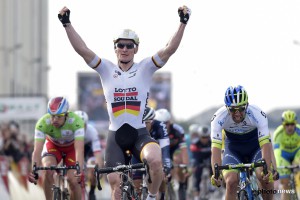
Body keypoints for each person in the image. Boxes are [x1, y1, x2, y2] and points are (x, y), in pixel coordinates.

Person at [58, 5, 191, 200]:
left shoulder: (145, 67)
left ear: (136, 48)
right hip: (115, 137)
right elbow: (82, 50)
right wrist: (67, 24)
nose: (125, 49)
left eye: (129, 45)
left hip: (139, 134)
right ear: (115, 48)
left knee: (155, 161)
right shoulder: (105, 68)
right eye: (121, 45)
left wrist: (182, 23)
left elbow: (169, 49)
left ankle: (151, 197)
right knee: (117, 190)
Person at [210, 85, 275, 200]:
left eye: (241, 108)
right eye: (232, 110)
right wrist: (216, 174)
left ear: (247, 105)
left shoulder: (258, 114)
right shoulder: (218, 118)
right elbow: (215, 149)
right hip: (233, 149)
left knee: (264, 177)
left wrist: (267, 170)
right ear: (227, 108)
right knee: (230, 182)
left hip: (255, 147)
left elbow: (265, 144)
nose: (237, 113)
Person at [28, 97, 85, 200]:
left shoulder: (76, 121)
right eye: (52, 116)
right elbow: (37, 150)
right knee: (48, 169)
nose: (55, 120)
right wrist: (34, 170)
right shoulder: (42, 123)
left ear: (66, 115)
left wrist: (79, 170)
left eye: (59, 116)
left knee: (73, 180)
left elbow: (79, 150)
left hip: (71, 149)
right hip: (53, 146)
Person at [132, 107, 171, 200]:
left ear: (152, 121)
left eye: (146, 123)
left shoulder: (160, 126)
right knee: (137, 185)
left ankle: (161, 196)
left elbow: (165, 148)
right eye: (142, 123)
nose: (144, 126)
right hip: (137, 155)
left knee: (161, 173)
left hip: (156, 155)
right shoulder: (135, 127)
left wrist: (166, 166)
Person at [154, 108, 190, 200]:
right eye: (160, 123)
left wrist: (185, 166)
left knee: (177, 159)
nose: (164, 125)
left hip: (174, 150)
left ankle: (181, 183)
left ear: (170, 121)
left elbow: (184, 149)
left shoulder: (177, 130)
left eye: (166, 123)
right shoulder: (154, 130)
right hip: (160, 151)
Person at [74, 110, 104, 200]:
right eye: (78, 125)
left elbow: (97, 152)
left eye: (83, 125)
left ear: (87, 124)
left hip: (88, 150)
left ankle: (92, 191)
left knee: (94, 166)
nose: (81, 128)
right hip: (75, 150)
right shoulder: (70, 132)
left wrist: (98, 167)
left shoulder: (92, 131)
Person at [273, 110, 300, 200]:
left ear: (295, 123)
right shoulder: (278, 133)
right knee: (285, 185)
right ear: (283, 125)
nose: (290, 127)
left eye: (292, 124)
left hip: (297, 153)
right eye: (287, 125)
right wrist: (278, 166)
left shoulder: (299, 131)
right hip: (284, 156)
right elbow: (277, 152)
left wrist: (296, 160)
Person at [189, 125, 212, 200]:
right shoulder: (195, 143)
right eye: (203, 137)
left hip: (209, 158)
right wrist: (195, 165)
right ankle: (196, 195)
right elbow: (195, 156)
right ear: (199, 136)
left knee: (213, 165)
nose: (205, 139)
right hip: (198, 159)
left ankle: (212, 182)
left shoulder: (212, 142)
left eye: (206, 137)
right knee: (197, 174)